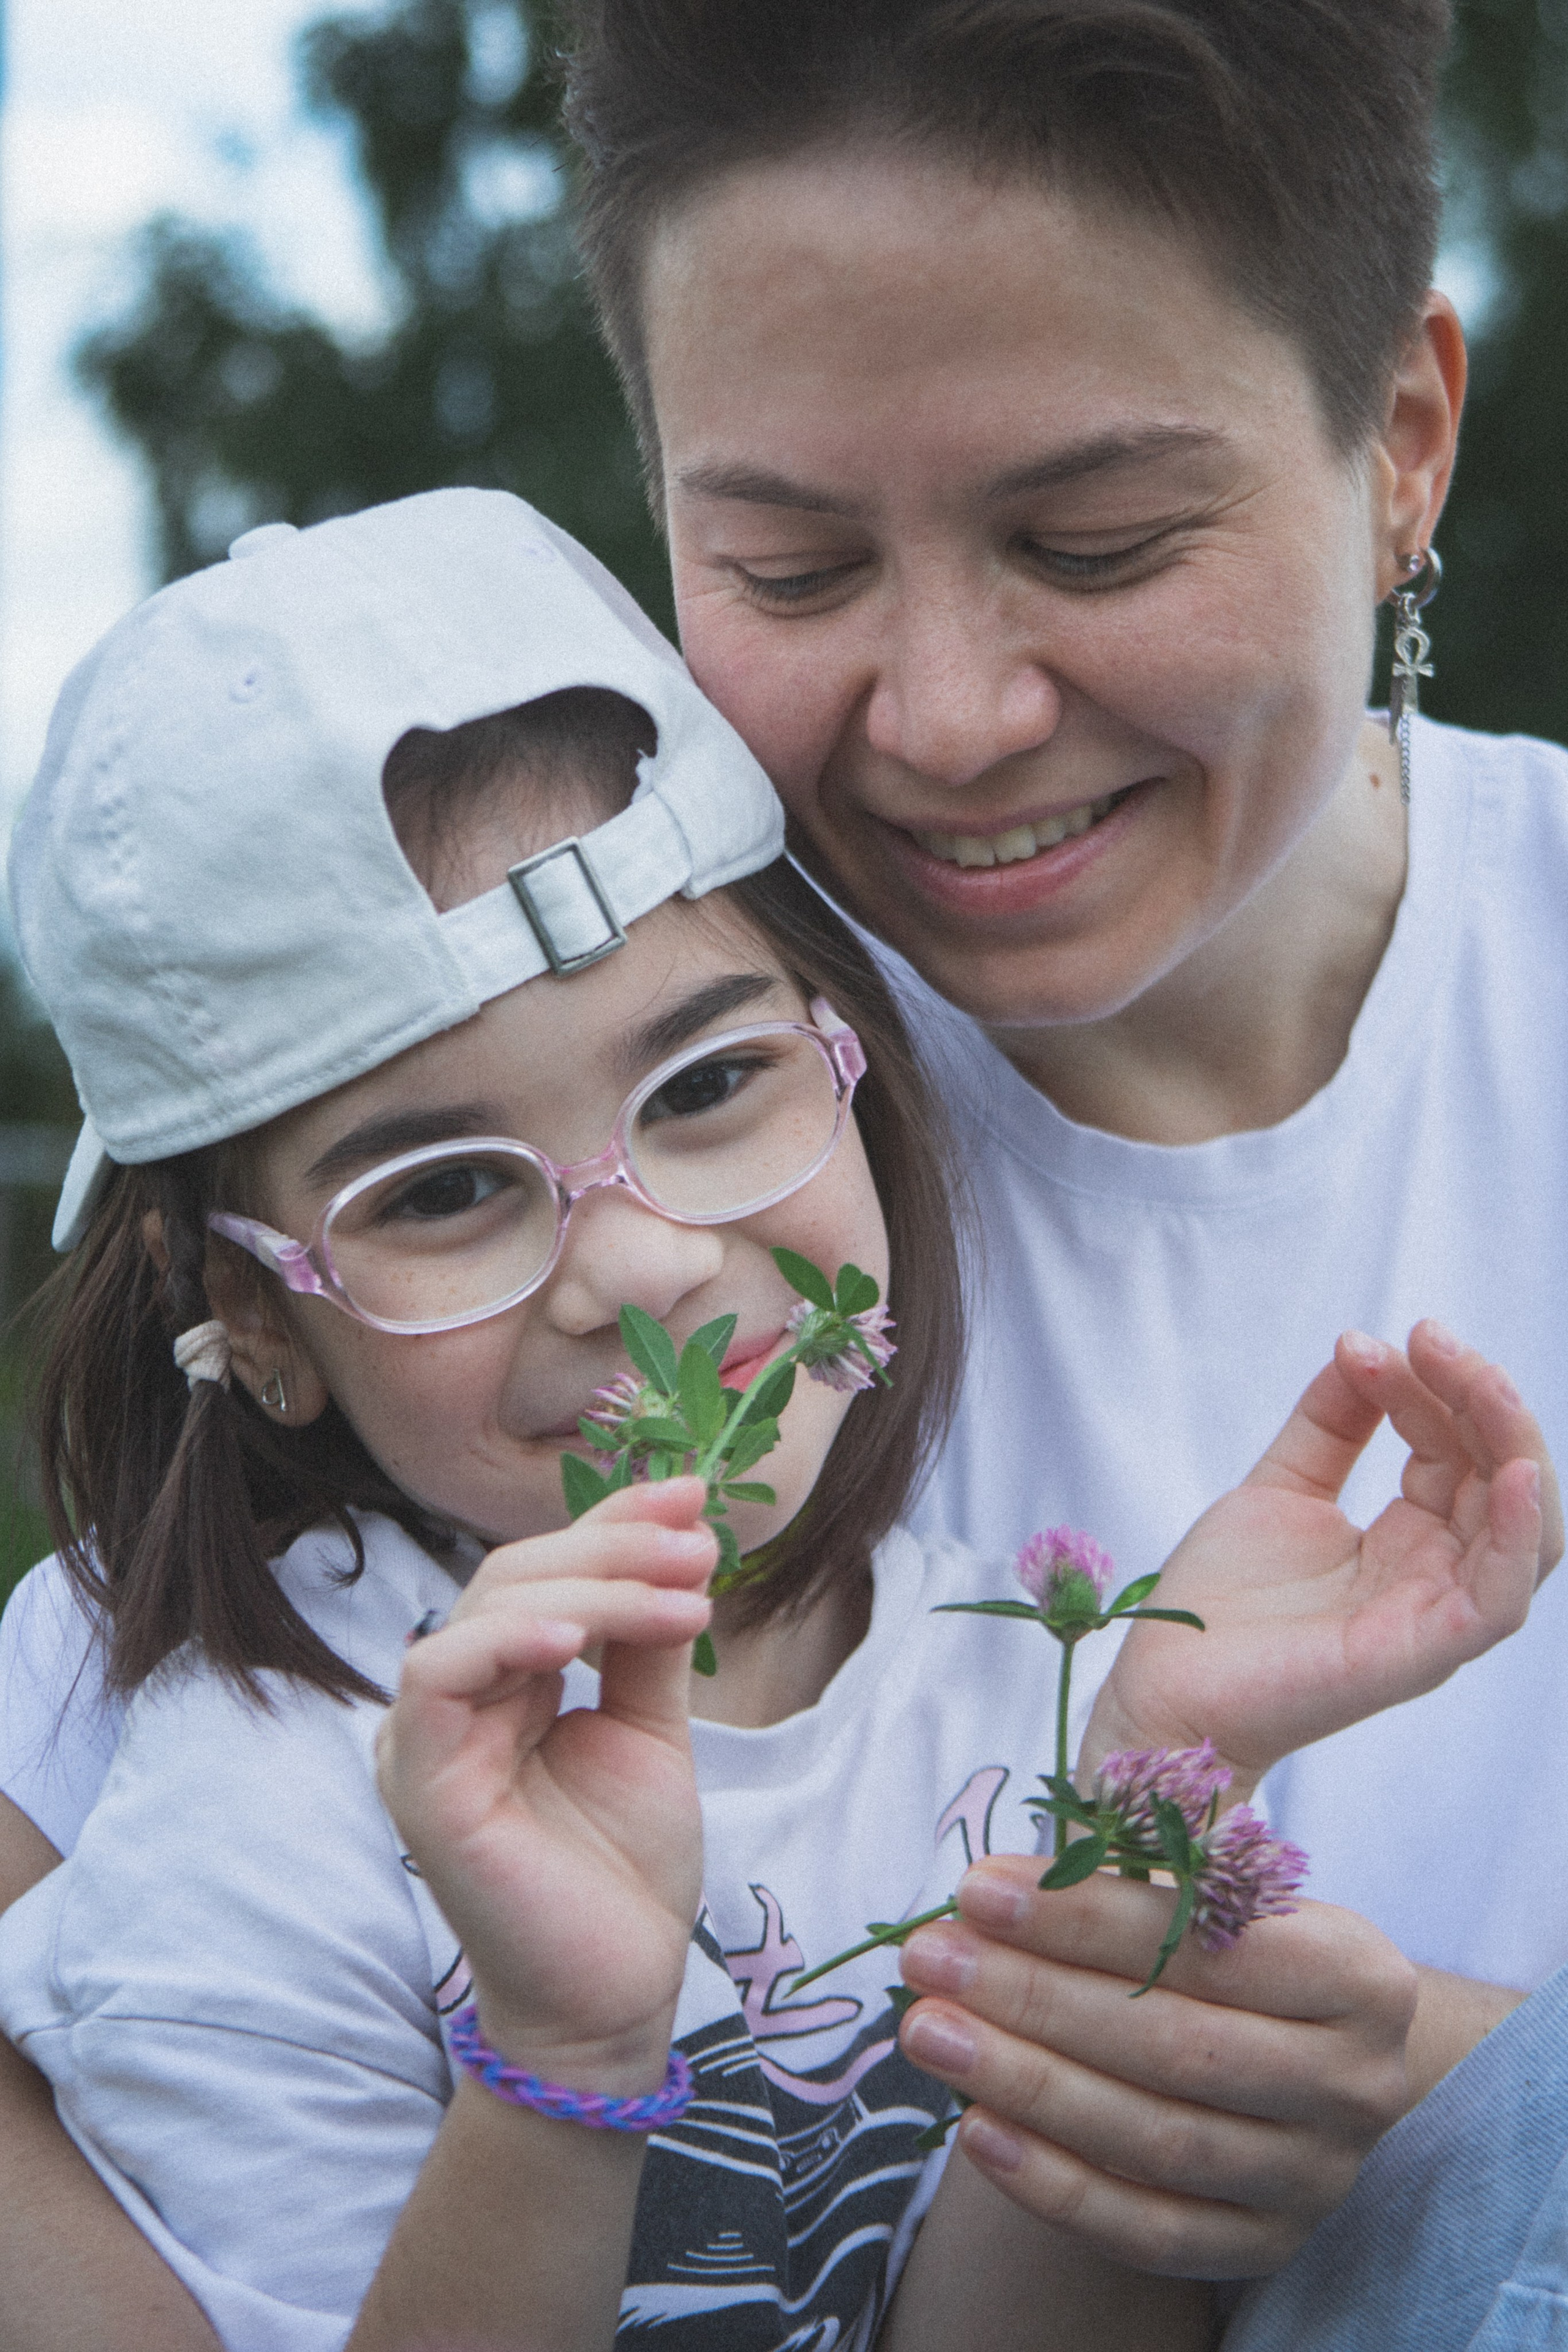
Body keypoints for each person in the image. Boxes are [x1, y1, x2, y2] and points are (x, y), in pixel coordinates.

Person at [0, 486, 1550, 2352]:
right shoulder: (261, 1805)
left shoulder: (1008, 1677)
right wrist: (558, 2064)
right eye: (440, 1194)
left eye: (716, 1078)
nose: (640, 1265)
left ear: (857, 1047)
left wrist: (1150, 1782)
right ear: (254, 1322)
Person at [548, 0, 1568, 2204]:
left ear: (1400, 437)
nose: (949, 713)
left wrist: (1465, 2102)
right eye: (791, 572)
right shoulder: (573, 1174)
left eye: (1096, 542)